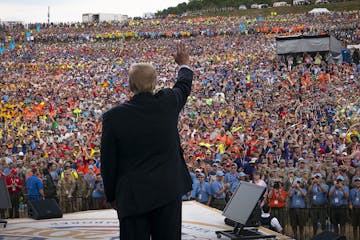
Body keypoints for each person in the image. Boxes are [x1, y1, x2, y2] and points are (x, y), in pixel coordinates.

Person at [100, 41, 193, 240]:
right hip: (167, 192)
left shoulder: (113, 117)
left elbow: (108, 163)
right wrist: (183, 63)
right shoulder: (168, 102)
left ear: (130, 84)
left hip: (132, 197)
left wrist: (112, 196)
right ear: (154, 82)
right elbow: (184, 86)